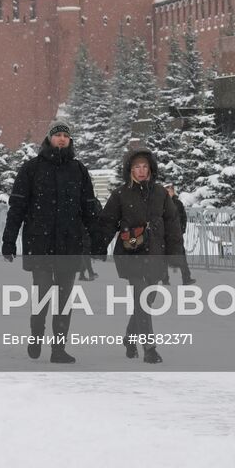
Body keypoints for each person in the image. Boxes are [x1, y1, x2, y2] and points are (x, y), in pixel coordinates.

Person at [2, 120, 103, 364]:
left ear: (70, 141)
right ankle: (36, 336)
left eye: (65, 136)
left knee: (65, 300)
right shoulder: (32, 168)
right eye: (57, 135)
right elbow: (17, 207)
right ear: (49, 138)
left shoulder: (78, 170)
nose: (61, 139)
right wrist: (9, 241)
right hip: (40, 244)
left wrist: (98, 241)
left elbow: (89, 208)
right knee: (43, 295)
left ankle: (58, 349)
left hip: (70, 245)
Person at [99, 147, 175, 364]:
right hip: (130, 253)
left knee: (148, 300)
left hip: (155, 254)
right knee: (142, 298)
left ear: (150, 168)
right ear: (129, 170)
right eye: (136, 167)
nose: (141, 171)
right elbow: (107, 222)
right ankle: (150, 348)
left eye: (144, 167)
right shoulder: (121, 194)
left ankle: (130, 337)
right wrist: (99, 245)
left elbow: (172, 225)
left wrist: (176, 253)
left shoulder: (160, 193)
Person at [162, 183, 196, 285]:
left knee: (181, 256)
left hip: (176, 235)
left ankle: (186, 278)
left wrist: (182, 229)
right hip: (164, 235)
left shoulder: (178, 203)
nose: (169, 192)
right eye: (167, 191)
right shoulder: (160, 203)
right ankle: (165, 279)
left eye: (170, 190)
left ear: (173, 191)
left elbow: (183, 217)